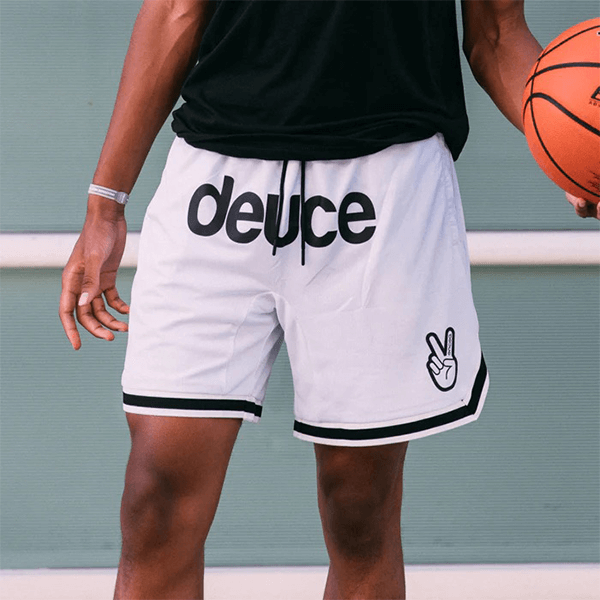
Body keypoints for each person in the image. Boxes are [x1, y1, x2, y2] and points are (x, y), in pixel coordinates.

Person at [59, 1, 599, 599]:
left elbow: (496, 34)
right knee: (154, 500)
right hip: (218, 179)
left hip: (384, 183)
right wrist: (105, 202)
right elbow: (175, 9)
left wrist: (571, 146)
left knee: (359, 510)